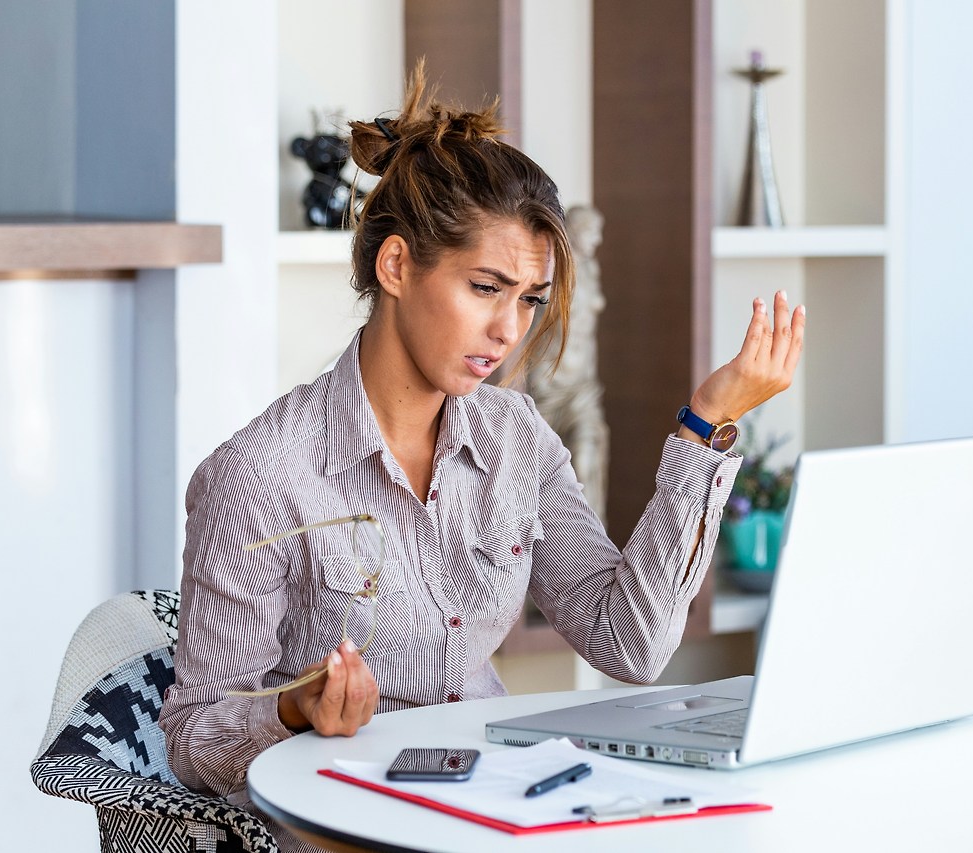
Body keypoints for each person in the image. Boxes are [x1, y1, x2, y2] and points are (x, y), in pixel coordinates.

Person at [158, 65, 804, 850]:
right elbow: (193, 737)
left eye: (529, 299)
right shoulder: (260, 475)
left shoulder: (515, 437)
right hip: (347, 832)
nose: (509, 330)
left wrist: (708, 424)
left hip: (500, 815)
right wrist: (293, 707)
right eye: (486, 287)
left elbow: (630, 643)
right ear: (397, 266)